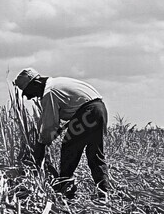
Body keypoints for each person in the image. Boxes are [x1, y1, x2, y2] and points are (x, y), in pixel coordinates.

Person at [14, 68, 110, 199]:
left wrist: (41, 145)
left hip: (88, 112)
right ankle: (104, 194)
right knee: (95, 153)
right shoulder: (57, 84)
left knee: (69, 148)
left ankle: (64, 190)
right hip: (99, 109)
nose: (28, 97)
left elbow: (49, 125)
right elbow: (71, 109)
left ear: (36, 83)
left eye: (27, 91)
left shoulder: (49, 93)